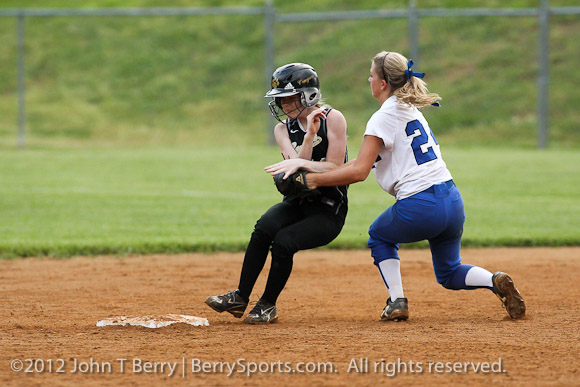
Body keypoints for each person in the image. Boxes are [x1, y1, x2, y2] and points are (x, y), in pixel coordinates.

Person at [265, 51, 525, 321]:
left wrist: (313, 179)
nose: (369, 79)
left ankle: (396, 300)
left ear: (382, 84)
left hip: (421, 203)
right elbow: (362, 160)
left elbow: (359, 171)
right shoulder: (409, 108)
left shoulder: (381, 117)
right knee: (449, 272)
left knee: (379, 235)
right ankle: (494, 280)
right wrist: (312, 167)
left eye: (372, 75)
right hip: (451, 200)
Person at [205, 63, 349, 324]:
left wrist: (304, 156)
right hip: (297, 202)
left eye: (288, 98)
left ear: (309, 95)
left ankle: (267, 305)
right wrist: (307, 139)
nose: (283, 105)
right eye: (279, 100)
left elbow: (335, 167)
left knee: (284, 241)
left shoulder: (333, 119)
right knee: (264, 228)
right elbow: (295, 171)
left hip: (328, 208)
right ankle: (240, 296)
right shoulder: (283, 129)